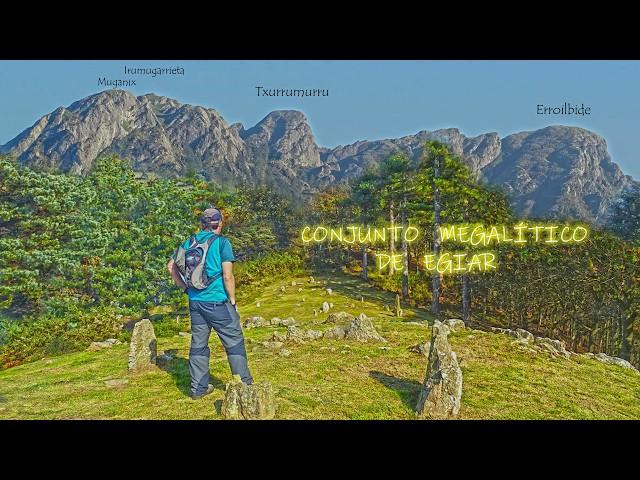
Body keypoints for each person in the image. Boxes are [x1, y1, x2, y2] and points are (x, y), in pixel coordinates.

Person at [166, 207, 253, 399]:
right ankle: (245, 386)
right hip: (218, 302)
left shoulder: (190, 241)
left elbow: (171, 266)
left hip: (195, 302)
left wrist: (186, 289)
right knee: (234, 342)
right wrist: (232, 300)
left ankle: (198, 389)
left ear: (202, 224)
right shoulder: (222, 243)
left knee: (198, 344)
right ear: (219, 223)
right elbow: (228, 276)